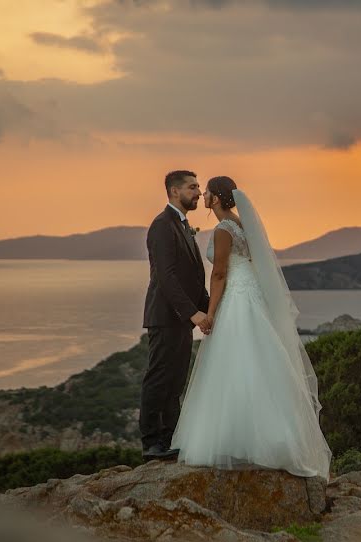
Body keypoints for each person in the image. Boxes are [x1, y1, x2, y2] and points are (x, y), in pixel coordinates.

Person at [171, 176, 332, 479]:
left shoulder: (222, 230)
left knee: (234, 363)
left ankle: (237, 441)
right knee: (258, 360)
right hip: (251, 293)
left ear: (215, 199)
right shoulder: (241, 224)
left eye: (206, 191)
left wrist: (210, 314)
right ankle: (271, 438)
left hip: (236, 296)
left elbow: (219, 274)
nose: (203, 195)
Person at [140, 170, 210, 460]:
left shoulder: (182, 225)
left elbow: (192, 278)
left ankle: (169, 439)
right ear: (173, 191)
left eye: (198, 187)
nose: (198, 192)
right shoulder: (162, 225)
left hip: (180, 319)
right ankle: (151, 443)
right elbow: (166, 277)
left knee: (176, 381)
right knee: (159, 378)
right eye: (192, 187)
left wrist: (211, 309)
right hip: (165, 316)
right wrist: (193, 313)